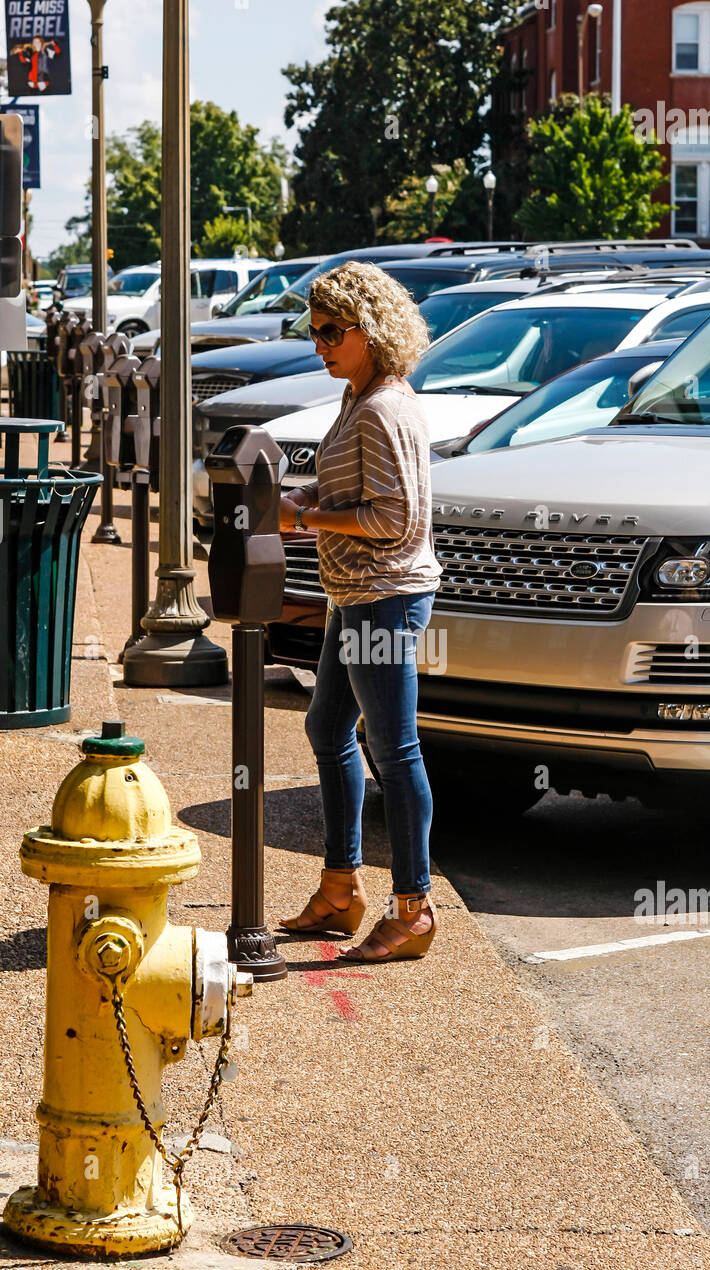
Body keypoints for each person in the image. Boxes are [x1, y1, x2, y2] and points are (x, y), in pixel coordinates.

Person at [278, 260, 442, 963]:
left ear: (370, 331)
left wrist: (307, 516)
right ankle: (341, 891)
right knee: (327, 726)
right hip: (356, 595)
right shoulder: (359, 395)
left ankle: (414, 910)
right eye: (313, 331)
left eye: (332, 331)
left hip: (387, 595)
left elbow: (394, 518)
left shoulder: (382, 407)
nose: (320, 344)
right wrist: (305, 495)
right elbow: (355, 485)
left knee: (393, 748)